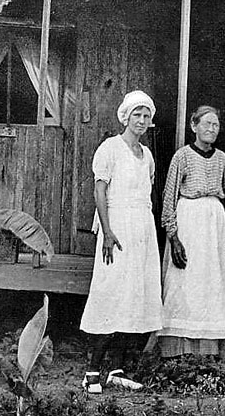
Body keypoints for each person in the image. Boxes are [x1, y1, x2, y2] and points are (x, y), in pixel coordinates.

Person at [79, 90, 163, 392]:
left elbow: (146, 196)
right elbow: (100, 192)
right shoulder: (110, 148)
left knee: (134, 295)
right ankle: (91, 371)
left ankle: (116, 369)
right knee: (110, 293)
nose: (141, 121)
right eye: (136, 115)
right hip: (116, 227)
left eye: (146, 116)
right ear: (125, 117)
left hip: (142, 229)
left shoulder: (148, 155)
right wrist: (107, 231)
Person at [158, 105, 225, 358]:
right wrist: (173, 235)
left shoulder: (222, 158)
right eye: (206, 124)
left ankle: (209, 351)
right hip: (187, 220)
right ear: (194, 126)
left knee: (211, 282)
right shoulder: (181, 156)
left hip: (213, 223)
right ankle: (177, 350)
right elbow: (168, 196)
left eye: (216, 125)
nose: (211, 129)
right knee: (182, 281)